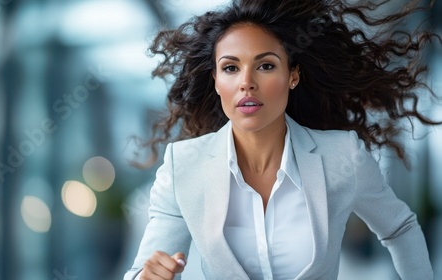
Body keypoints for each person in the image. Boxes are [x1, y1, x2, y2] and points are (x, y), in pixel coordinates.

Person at [125, 0, 440, 279]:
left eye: (265, 66)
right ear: (216, 80)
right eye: (231, 68)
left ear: (293, 75)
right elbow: (147, 267)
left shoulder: (342, 155)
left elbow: (400, 228)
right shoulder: (183, 166)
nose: (247, 83)